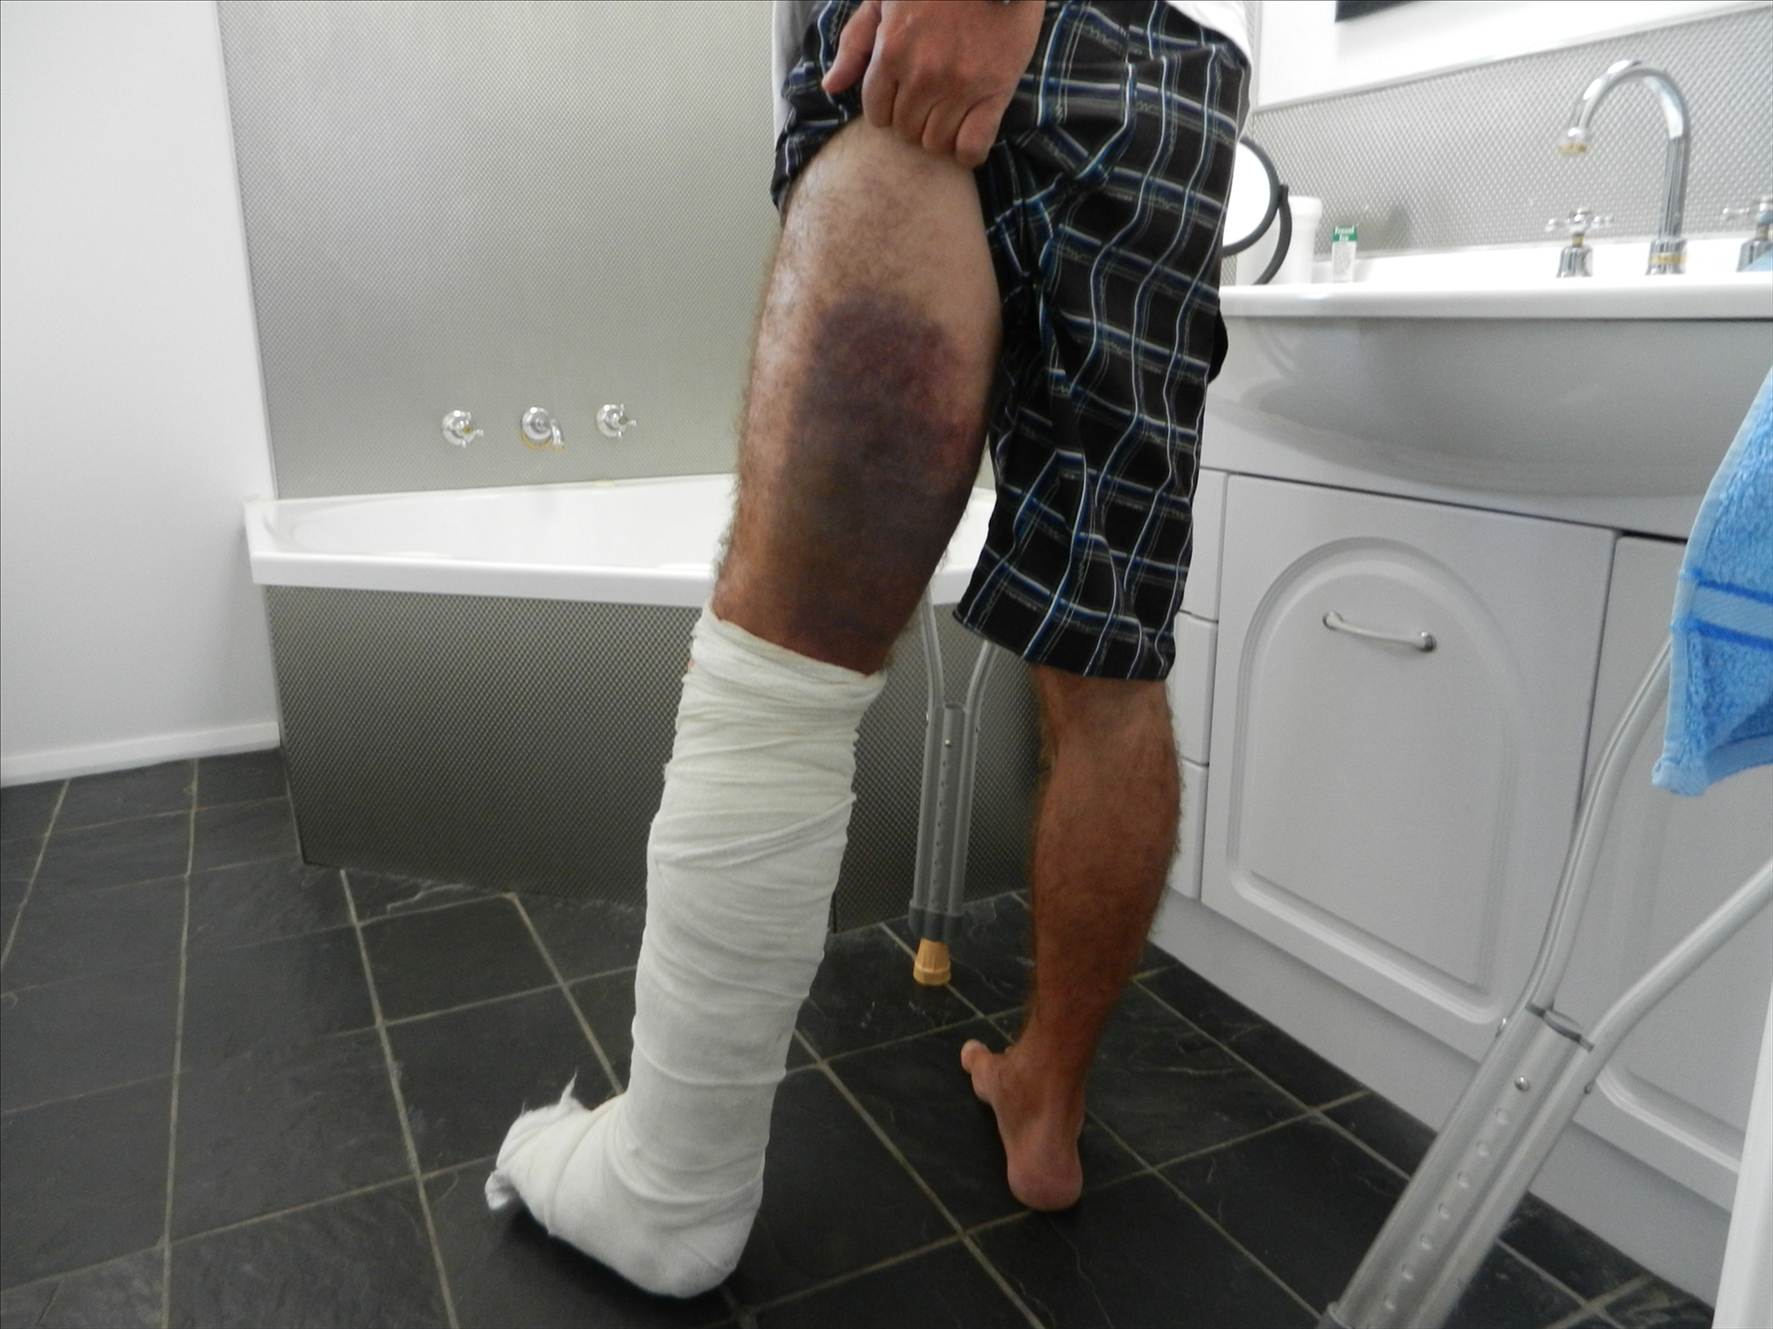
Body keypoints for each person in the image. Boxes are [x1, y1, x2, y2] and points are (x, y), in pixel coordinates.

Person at [487, 0, 1252, 1297]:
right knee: (1111, 673)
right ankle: (1045, 1106)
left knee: (781, 668)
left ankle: (669, 1189)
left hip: (947, 43)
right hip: (1162, 89)